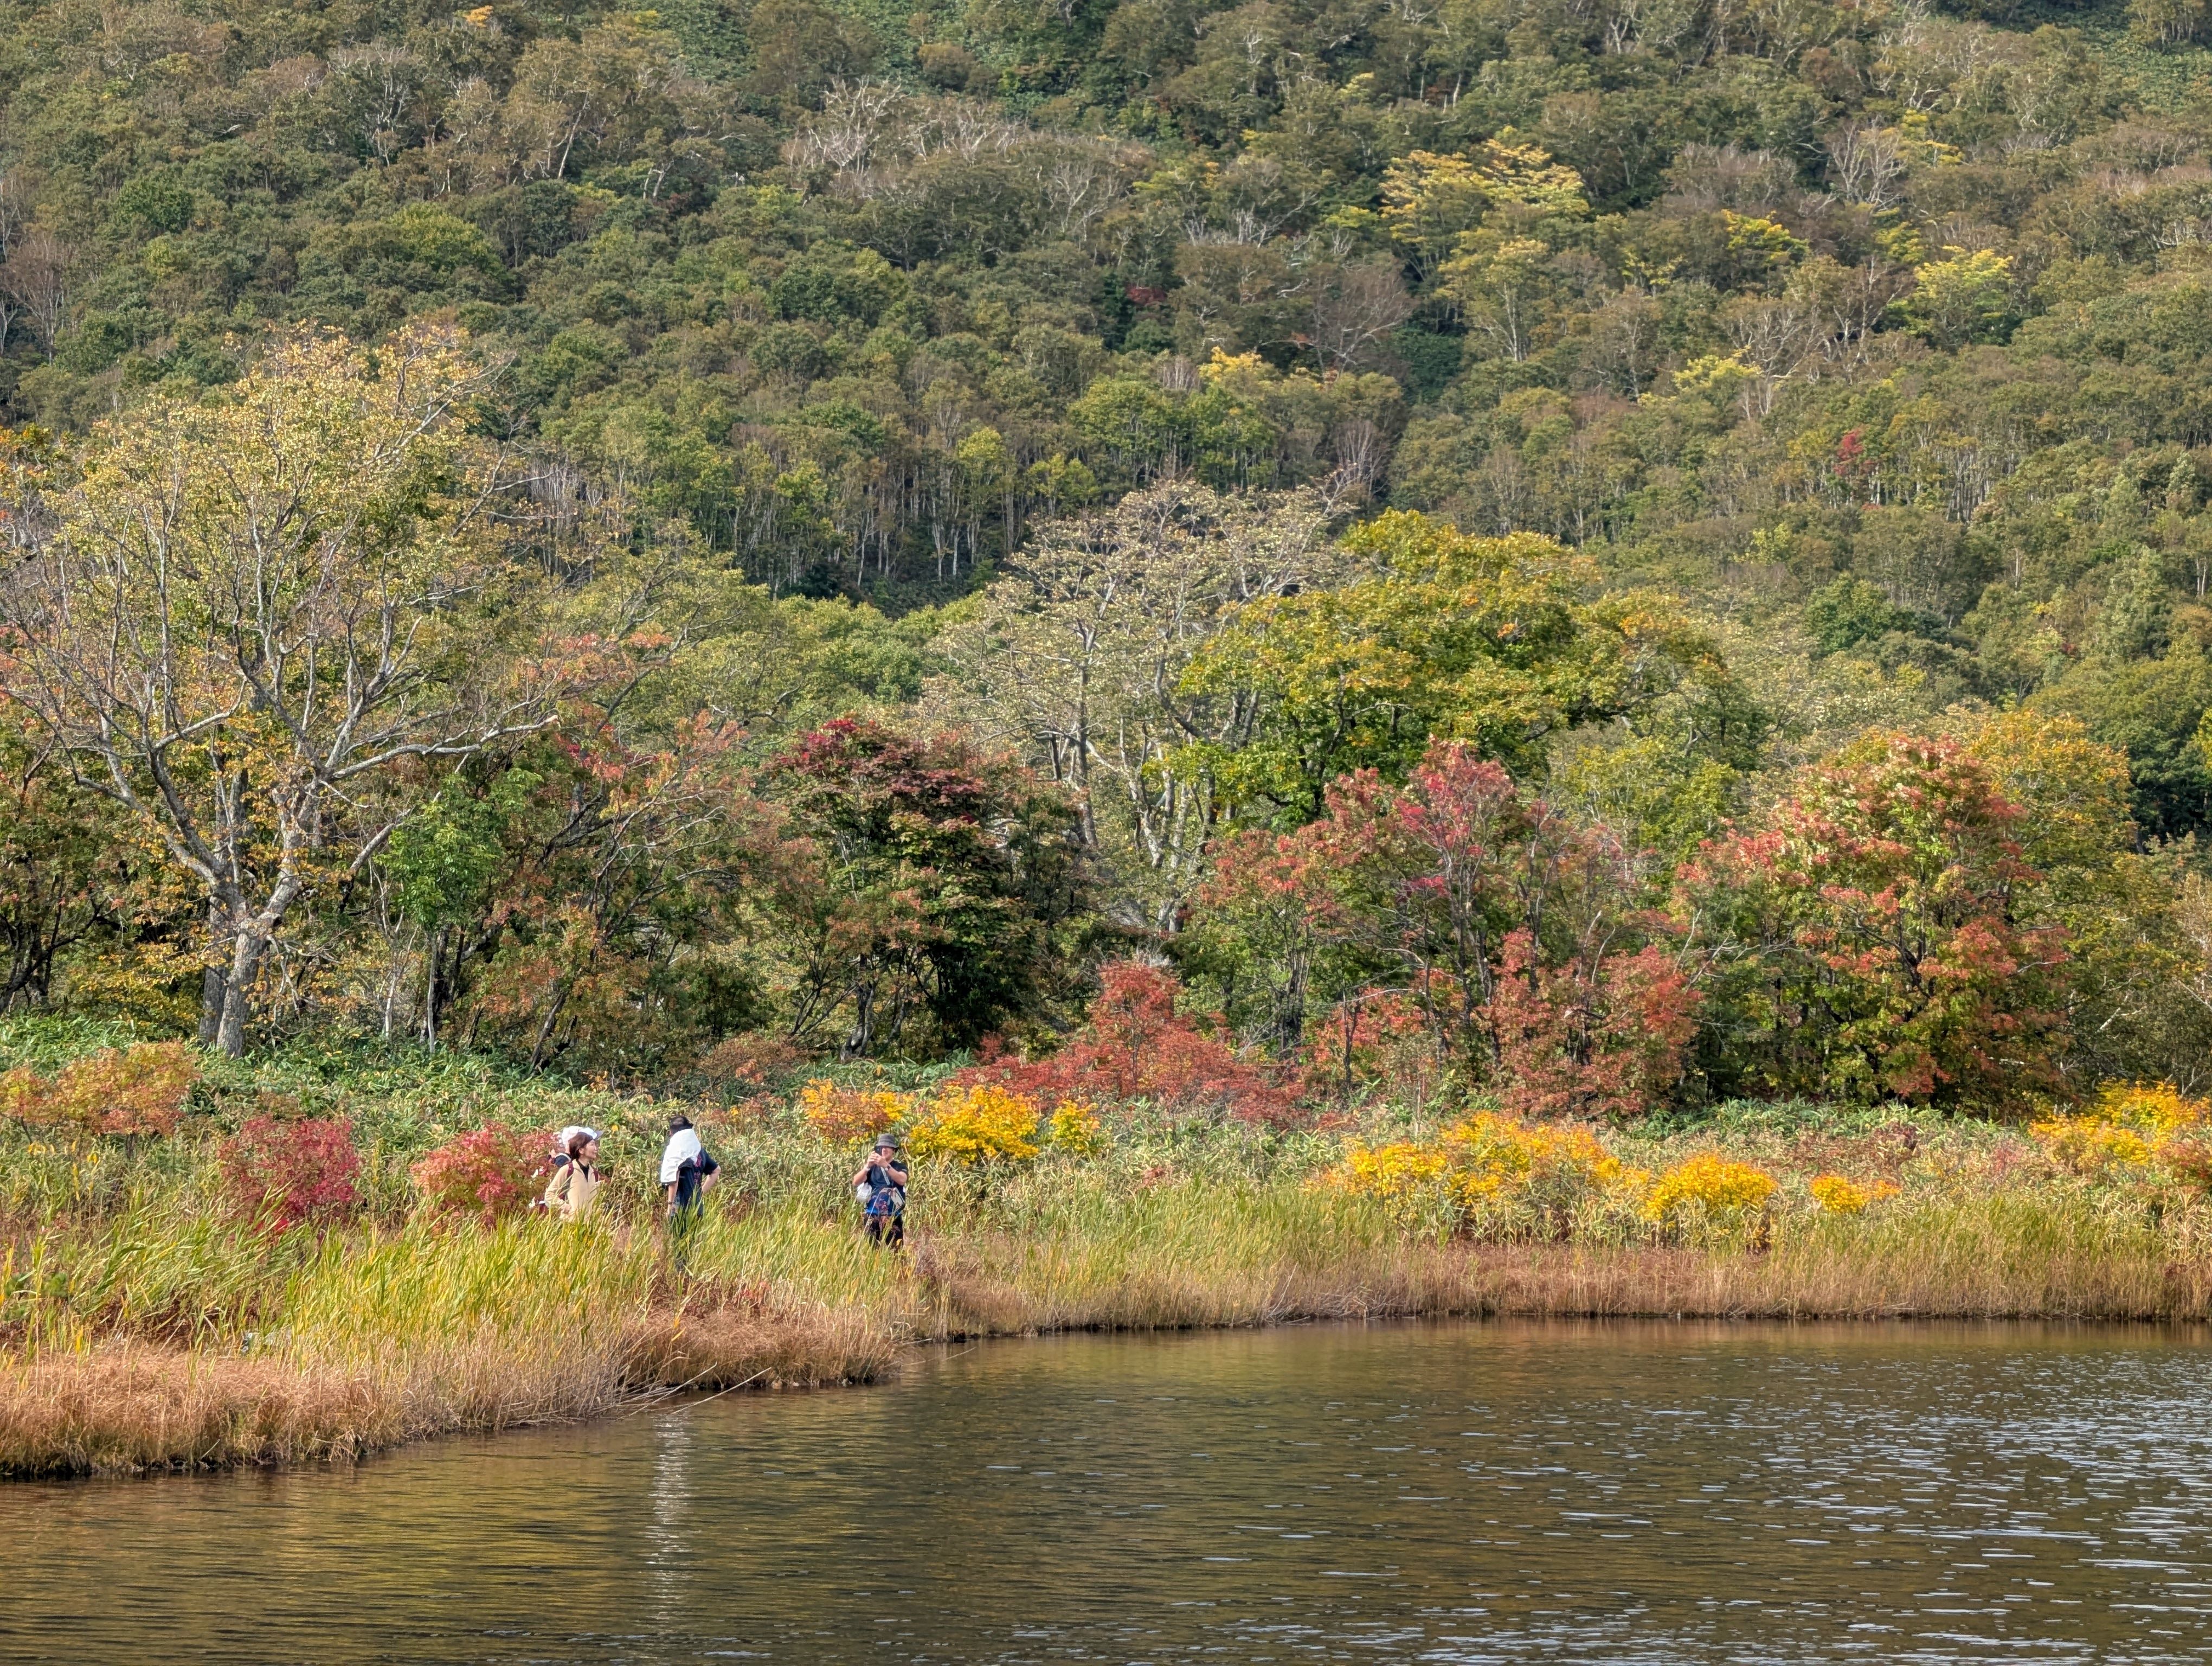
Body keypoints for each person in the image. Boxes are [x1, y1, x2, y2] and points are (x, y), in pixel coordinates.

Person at [659, 1114, 720, 1233]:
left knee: (678, 1246)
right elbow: (716, 1170)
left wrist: (670, 1205)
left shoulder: (678, 1152)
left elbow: (674, 1177)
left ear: (672, 1132)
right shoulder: (699, 1151)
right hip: (697, 1207)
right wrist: (700, 1192)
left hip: (681, 1206)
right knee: (690, 1244)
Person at [852, 1133, 908, 1247]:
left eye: (887, 1147)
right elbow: (856, 1182)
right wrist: (867, 1166)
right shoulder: (872, 1167)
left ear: (893, 1150)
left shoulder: (899, 1166)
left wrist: (886, 1165)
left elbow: (902, 1180)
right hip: (873, 1214)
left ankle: (896, 1265)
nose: (884, 1149)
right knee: (872, 1250)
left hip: (893, 1215)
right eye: (881, 1147)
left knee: (895, 1252)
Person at [541, 1129, 604, 1222]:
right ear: (581, 1150)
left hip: (590, 1227)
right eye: (592, 1144)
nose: (596, 1148)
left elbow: (596, 1201)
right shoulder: (568, 1169)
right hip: (571, 1225)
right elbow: (549, 1195)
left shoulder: (594, 1173)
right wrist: (565, 1208)